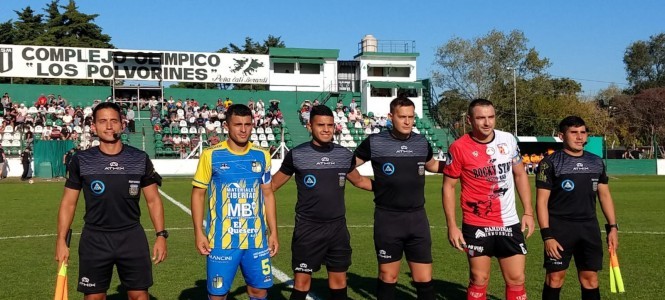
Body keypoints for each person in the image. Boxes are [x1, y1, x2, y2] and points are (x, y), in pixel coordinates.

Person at [55, 102, 167, 300]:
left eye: (114, 121)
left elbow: (153, 200)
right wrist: (61, 240)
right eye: (103, 121)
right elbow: (68, 203)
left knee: (139, 295)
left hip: (131, 236)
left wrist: (161, 235)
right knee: (94, 297)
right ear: (93, 127)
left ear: (122, 125)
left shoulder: (139, 158)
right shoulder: (81, 160)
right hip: (94, 238)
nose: (109, 126)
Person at [271, 105, 372, 300]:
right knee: (301, 283)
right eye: (321, 125)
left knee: (339, 283)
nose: (326, 129)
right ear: (309, 126)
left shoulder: (343, 155)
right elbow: (273, 185)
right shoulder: (297, 154)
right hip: (308, 229)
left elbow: (359, 180)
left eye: (330, 125)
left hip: (337, 229)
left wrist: (387, 186)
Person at [442, 99, 534, 300]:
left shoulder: (508, 139)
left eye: (491, 117)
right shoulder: (458, 147)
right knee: (479, 278)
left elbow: (520, 175)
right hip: (477, 224)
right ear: (469, 120)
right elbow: (448, 186)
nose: (487, 122)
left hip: (509, 222)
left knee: (517, 278)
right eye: (481, 118)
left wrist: (527, 211)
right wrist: (452, 225)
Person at [354, 96, 442, 300]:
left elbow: (432, 165)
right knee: (388, 276)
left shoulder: (421, 142)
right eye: (402, 117)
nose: (407, 121)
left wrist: (459, 169)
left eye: (411, 117)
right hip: (388, 219)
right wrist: (363, 183)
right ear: (390, 117)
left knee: (424, 278)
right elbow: (349, 165)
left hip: (417, 219)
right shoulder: (375, 142)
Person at [191, 104, 278, 300]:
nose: (243, 129)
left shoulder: (262, 155)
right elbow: (198, 194)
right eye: (238, 124)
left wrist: (273, 232)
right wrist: (198, 232)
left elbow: (268, 194)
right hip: (222, 240)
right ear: (226, 126)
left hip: (256, 239)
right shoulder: (210, 155)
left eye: (248, 124)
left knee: (259, 291)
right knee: (218, 295)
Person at [536, 116, 618, 300]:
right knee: (555, 278)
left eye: (583, 132)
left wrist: (612, 227)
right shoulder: (549, 163)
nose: (579, 137)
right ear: (561, 136)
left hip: (589, 227)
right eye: (573, 132)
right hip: (560, 228)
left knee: (590, 279)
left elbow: (604, 195)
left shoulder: (596, 162)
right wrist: (547, 236)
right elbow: (541, 202)